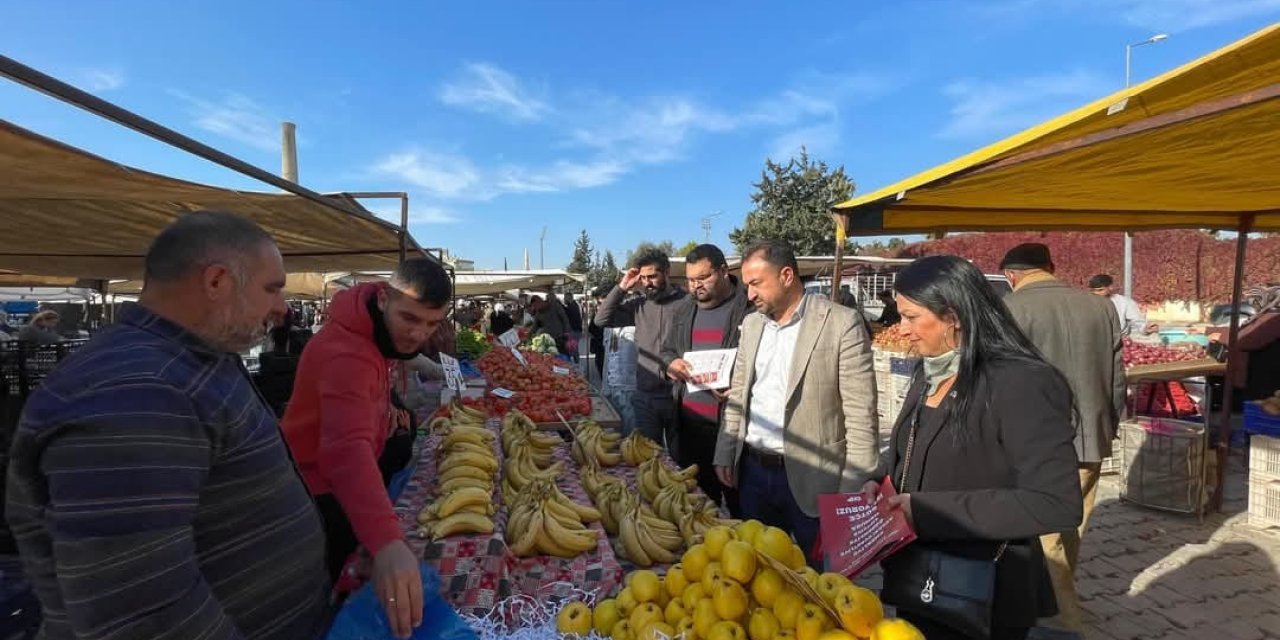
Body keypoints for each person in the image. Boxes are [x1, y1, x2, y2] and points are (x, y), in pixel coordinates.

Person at [6, 211, 330, 639]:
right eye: (272, 288)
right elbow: (142, 610)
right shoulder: (134, 389)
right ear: (217, 282)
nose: (282, 308)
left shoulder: (196, 358)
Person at [870, 255, 1083, 640]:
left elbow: (1055, 502)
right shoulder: (930, 370)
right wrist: (882, 481)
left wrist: (924, 510)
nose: (901, 330)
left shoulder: (1021, 382)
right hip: (921, 578)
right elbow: (914, 449)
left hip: (984, 589)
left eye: (911, 317)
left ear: (953, 316)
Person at [282, 257, 451, 639]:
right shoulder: (348, 351)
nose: (418, 335)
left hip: (330, 485)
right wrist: (388, 542)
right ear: (383, 299)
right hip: (317, 495)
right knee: (327, 603)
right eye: (409, 318)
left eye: (431, 323)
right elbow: (346, 452)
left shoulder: (372, 334)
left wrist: (382, 408)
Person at [713, 241, 880, 560]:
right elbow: (739, 393)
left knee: (819, 581)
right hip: (753, 471)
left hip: (814, 479)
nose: (749, 295)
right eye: (747, 285)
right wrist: (725, 449)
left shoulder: (840, 324)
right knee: (758, 572)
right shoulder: (751, 325)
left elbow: (861, 415)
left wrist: (852, 489)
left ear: (787, 275)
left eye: (756, 283)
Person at [1000, 243, 1125, 633]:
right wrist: (1107, 427)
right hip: (1091, 438)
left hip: (1035, 446)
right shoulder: (1101, 307)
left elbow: (1002, 382)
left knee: (1044, 541)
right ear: (1051, 268)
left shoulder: (1010, 309)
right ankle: (1056, 603)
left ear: (1010, 275)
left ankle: (1062, 623)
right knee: (1070, 530)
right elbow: (1118, 380)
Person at [660, 244, 751, 515]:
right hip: (689, 427)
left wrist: (739, 385)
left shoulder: (749, 308)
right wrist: (670, 365)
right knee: (699, 507)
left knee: (740, 509)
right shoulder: (685, 309)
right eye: (690, 280)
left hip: (732, 429)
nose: (695, 286)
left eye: (702, 278)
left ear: (723, 271)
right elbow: (667, 351)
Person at [595, 249, 687, 456]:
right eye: (643, 278)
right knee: (647, 458)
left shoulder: (687, 303)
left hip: (679, 396)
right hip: (646, 396)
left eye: (653, 276)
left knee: (682, 460)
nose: (647, 283)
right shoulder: (638, 306)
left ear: (667, 272)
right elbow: (601, 320)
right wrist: (622, 287)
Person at [1088, 273, 1150, 337]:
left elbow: (1138, 322)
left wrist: (1146, 329)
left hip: (1118, 341)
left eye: (1100, 290)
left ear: (1110, 287)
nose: (1096, 293)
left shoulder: (1124, 302)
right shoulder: (1087, 303)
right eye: (1093, 291)